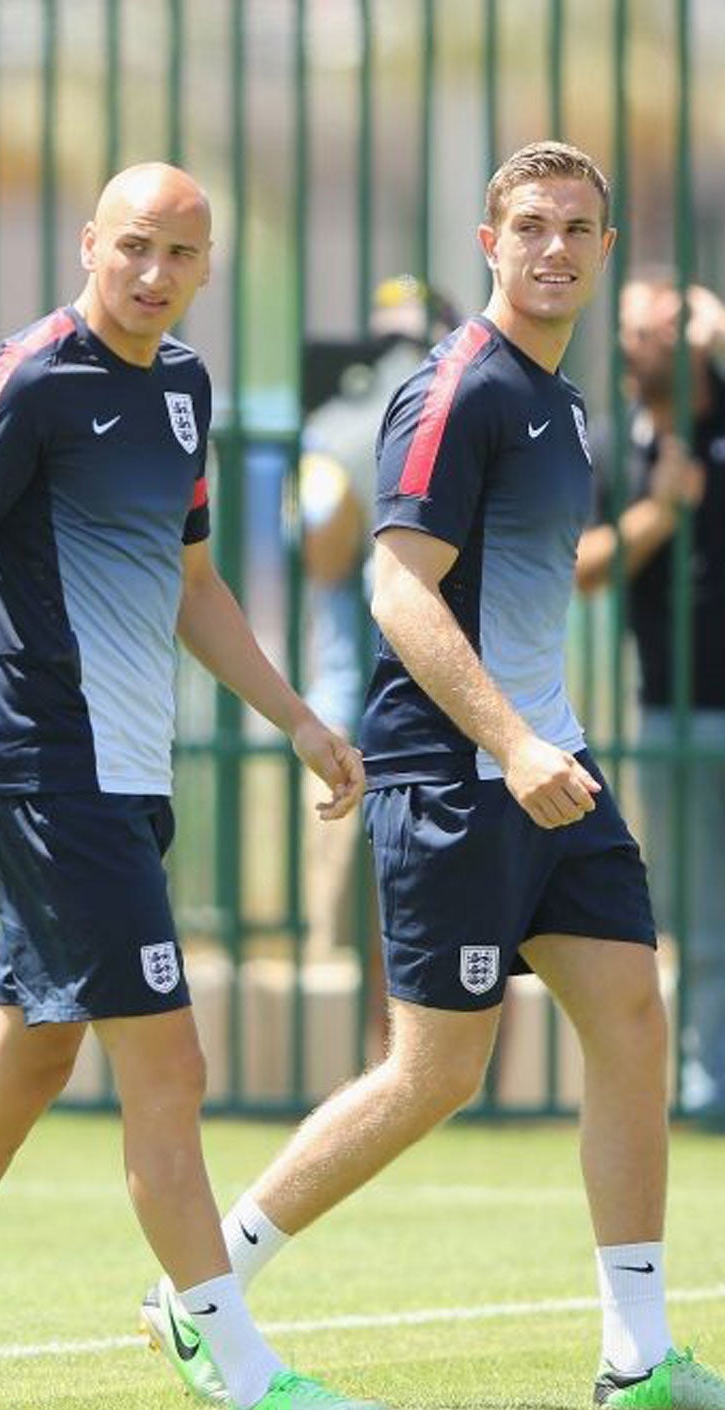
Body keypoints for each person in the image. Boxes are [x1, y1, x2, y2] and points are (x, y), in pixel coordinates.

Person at [0, 164, 390, 1410]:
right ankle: (237, 1364)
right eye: (131, 247)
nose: (152, 275)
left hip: (130, 780)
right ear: (87, 245)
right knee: (165, 1064)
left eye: (180, 255)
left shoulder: (180, 388)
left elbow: (191, 585)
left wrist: (292, 715)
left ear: (204, 268)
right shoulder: (23, 380)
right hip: (51, 775)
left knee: (22, 1062)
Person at [151, 143, 725, 1410]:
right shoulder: (455, 388)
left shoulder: (561, 404)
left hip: (546, 765)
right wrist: (510, 745)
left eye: (578, 227)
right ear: (488, 242)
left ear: (602, 246)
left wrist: (544, 743)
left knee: (630, 1018)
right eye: (530, 225)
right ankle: (198, 1289)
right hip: (456, 776)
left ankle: (636, 1348)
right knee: (434, 1074)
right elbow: (393, 585)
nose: (554, 249)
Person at [296, 277, 460, 1060]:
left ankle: (436, 1075)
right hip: (358, 706)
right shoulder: (339, 427)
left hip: (433, 701)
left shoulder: (461, 419)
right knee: (381, 911)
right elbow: (325, 555)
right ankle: (390, 1068)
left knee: (459, 904)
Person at [575, 271, 725, 1123]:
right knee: (699, 914)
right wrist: (660, 513)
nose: (643, 344)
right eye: (631, 329)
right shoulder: (608, 442)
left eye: (663, 328)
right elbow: (583, 569)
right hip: (672, 705)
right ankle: (708, 1093)